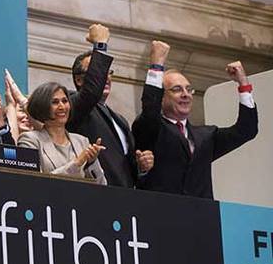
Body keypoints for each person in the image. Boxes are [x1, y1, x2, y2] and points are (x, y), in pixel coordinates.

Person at [132, 40, 258, 199]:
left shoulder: (206, 135)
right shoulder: (151, 128)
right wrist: (156, 65)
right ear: (161, 98)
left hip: (201, 212)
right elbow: (150, 110)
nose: (185, 94)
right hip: (162, 210)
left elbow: (247, 130)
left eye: (189, 89)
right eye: (177, 89)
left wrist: (243, 85)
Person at [68, 23, 154, 188]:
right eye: (100, 72)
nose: (106, 77)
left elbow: (124, 168)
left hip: (124, 195)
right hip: (93, 192)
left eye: (109, 72)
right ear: (79, 80)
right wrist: (100, 46)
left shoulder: (119, 119)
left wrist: (141, 167)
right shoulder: (73, 104)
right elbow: (91, 93)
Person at [18, 82, 107, 184]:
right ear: (42, 106)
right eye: (55, 102)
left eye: (65, 101)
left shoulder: (82, 141)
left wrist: (91, 163)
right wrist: (77, 163)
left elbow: (102, 185)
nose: (62, 107)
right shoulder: (29, 140)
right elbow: (34, 183)